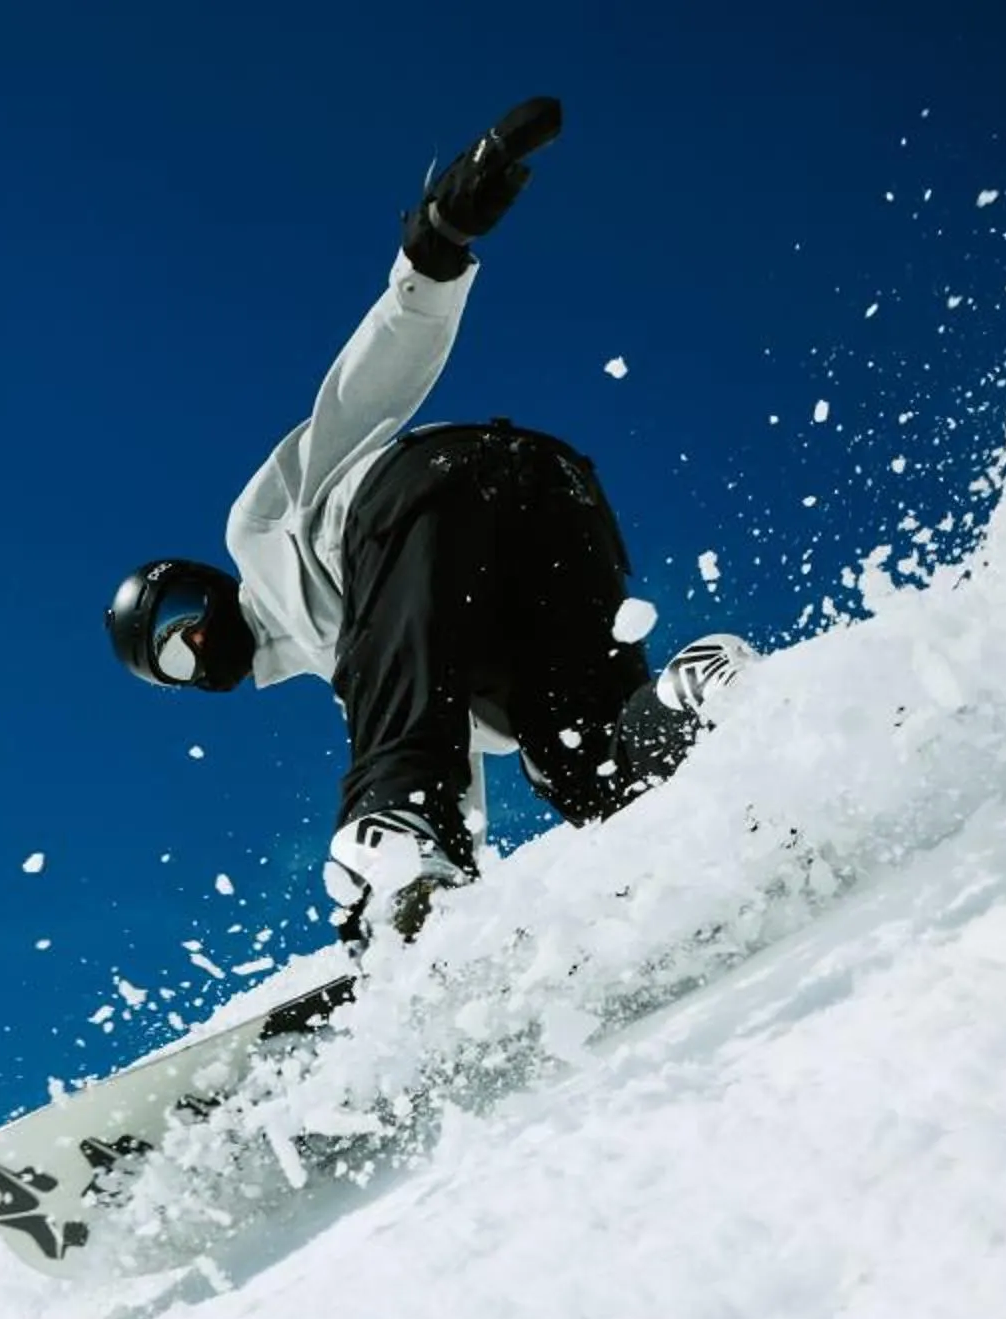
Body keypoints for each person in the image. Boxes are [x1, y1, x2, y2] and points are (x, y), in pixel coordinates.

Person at [104, 96, 750, 949]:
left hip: (434, 490)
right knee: (580, 758)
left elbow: (357, 395)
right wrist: (440, 903)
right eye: (173, 663)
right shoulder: (365, 663)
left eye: (183, 622)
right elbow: (428, 723)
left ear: (207, 589)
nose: (194, 647)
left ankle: (400, 833)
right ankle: (688, 700)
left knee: (403, 715)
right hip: (554, 505)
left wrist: (432, 257)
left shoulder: (262, 537)